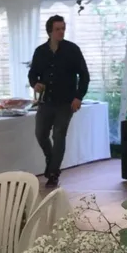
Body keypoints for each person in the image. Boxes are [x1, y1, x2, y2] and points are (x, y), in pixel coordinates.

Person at [27, 15, 90, 188]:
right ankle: (51, 160)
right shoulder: (40, 51)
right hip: (46, 101)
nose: (61, 32)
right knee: (40, 134)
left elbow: (84, 75)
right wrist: (35, 84)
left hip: (66, 102)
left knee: (59, 135)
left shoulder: (72, 50)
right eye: (57, 29)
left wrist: (78, 97)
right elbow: (33, 74)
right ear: (50, 31)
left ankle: (53, 173)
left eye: (63, 28)